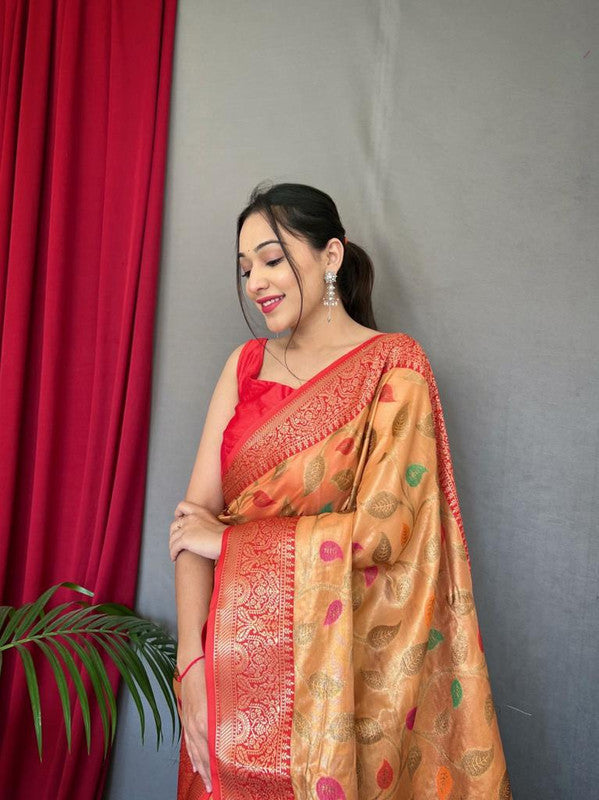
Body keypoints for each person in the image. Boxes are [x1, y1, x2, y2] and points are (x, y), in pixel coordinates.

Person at [168, 182, 512, 800]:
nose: (255, 283)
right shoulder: (243, 366)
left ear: (331, 256)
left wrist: (231, 544)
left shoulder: (393, 367)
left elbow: (386, 534)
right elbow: (189, 530)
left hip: (339, 689)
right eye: (245, 268)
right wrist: (190, 672)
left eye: (272, 260)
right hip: (229, 679)